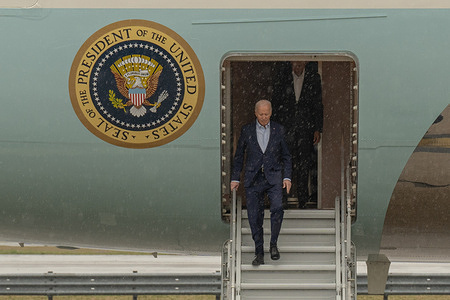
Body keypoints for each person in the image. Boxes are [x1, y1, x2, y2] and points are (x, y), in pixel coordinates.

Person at [230, 100, 292, 266]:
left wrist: (287, 177)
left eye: (267, 114)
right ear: (255, 113)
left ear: (271, 112)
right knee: (254, 217)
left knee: (278, 208)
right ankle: (259, 252)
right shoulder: (247, 130)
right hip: (253, 178)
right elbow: (239, 156)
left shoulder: (279, 129)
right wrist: (235, 178)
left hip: (273, 177)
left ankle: (273, 244)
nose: (264, 117)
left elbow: (286, 156)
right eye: (261, 114)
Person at [271, 61, 323, 208]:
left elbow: (318, 104)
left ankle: (303, 199)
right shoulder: (282, 77)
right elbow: (276, 101)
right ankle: (284, 199)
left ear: (305, 63)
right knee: (286, 162)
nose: (297, 67)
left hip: (305, 128)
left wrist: (317, 128)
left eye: (300, 64)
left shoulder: (314, 78)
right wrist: (275, 128)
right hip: (286, 127)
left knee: (304, 164)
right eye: (295, 64)